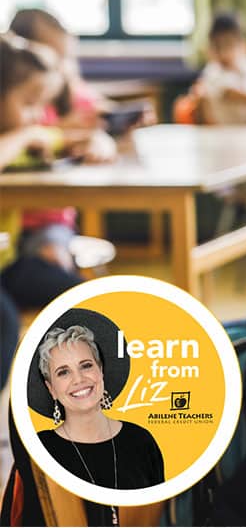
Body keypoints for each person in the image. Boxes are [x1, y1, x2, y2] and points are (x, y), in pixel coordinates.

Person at [0, 33, 113, 310]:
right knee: (5, 322)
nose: (37, 116)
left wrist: (100, 141)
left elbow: (74, 138)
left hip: (8, 265)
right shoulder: (21, 138)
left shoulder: (26, 137)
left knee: (83, 299)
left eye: (41, 105)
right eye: (28, 104)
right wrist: (25, 136)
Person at [22, 312, 164, 526]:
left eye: (86, 365)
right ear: (51, 389)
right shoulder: (37, 450)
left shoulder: (141, 440)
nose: (79, 379)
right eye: (63, 372)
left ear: (101, 372)